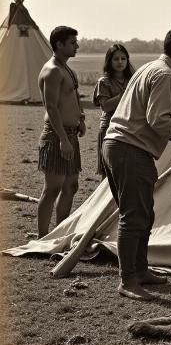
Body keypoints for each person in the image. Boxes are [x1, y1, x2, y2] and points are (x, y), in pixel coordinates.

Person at [102, 28, 171, 300]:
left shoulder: (151, 68)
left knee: (144, 214)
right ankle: (128, 280)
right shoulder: (165, 75)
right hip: (130, 150)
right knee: (134, 216)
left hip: (123, 147)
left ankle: (140, 270)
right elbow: (158, 119)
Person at [37, 26, 86, 238]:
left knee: (71, 186)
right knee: (53, 188)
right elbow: (52, 107)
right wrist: (63, 140)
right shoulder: (52, 71)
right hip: (57, 136)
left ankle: (59, 234)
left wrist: (81, 118)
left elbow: (74, 98)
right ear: (59, 44)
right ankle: (42, 237)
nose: (77, 45)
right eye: (73, 42)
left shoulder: (67, 69)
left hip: (71, 135)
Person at [93, 44, 135, 179]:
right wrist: (122, 95)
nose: (120, 62)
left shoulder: (133, 79)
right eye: (116, 59)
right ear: (109, 61)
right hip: (109, 128)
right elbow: (105, 106)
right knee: (108, 174)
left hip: (129, 127)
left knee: (127, 172)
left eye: (123, 58)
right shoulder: (104, 82)